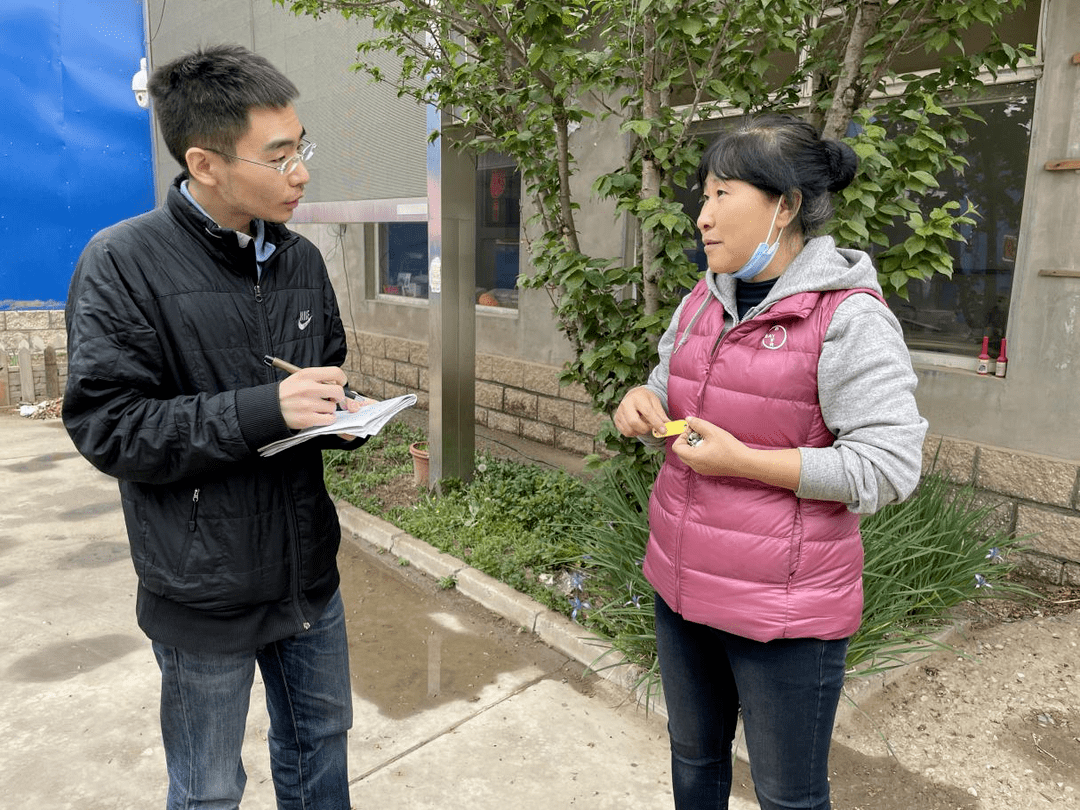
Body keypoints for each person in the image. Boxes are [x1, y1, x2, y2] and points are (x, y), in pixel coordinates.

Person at [63, 44, 364, 810]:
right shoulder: (122, 263)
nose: (301, 172)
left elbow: (319, 374)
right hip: (202, 589)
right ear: (205, 162)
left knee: (320, 751)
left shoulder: (299, 260)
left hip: (306, 574)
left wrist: (344, 416)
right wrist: (267, 410)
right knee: (207, 788)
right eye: (280, 156)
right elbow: (111, 428)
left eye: (303, 148)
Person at [614, 113, 928, 810]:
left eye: (723, 194)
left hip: (785, 613)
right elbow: (670, 385)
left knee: (788, 795)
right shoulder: (704, 299)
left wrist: (747, 463)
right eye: (704, 196)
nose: (703, 216)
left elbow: (887, 466)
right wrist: (643, 401)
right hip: (682, 585)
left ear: (783, 205)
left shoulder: (849, 318)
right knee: (694, 762)